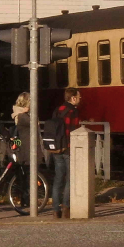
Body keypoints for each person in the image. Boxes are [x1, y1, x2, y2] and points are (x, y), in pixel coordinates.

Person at [45, 88, 81, 219]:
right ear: (73, 98)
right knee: (70, 179)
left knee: (58, 179)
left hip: (56, 148)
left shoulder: (57, 109)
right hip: (68, 148)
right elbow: (74, 131)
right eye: (78, 97)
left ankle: (55, 211)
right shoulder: (73, 111)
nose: (80, 99)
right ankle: (66, 208)